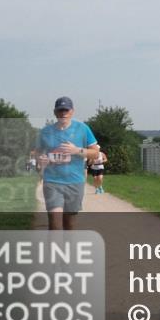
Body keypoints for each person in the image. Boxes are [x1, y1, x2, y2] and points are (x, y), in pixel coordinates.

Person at [36, 97, 99, 230]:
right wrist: (41, 159)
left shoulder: (83, 129)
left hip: (74, 182)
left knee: (69, 224)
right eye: (60, 110)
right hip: (52, 182)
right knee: (55, 223)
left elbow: (95, 153)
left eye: (66, 110)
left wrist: (77, 150)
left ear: (72, 111)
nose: (63, 113)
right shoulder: (46, 132)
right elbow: (37, 153)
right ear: (55, 112)